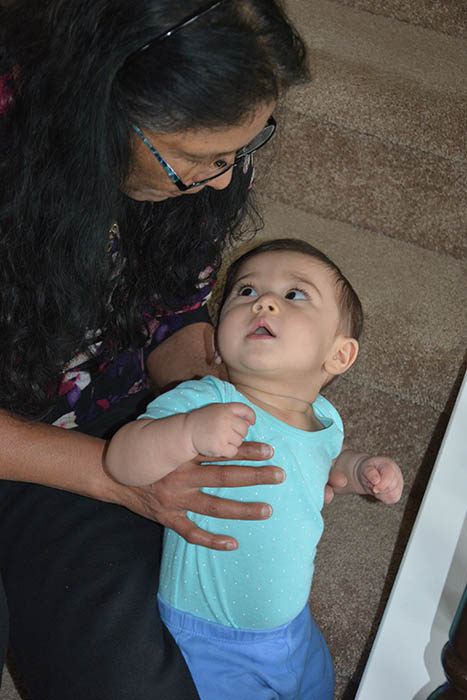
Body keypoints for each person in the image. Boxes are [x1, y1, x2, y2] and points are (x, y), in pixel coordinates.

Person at [0, 1, 311, 698]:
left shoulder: (207, 168)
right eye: (199, 158)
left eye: (243, 148)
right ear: (96, 107)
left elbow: (168, 314)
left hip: (82, 427)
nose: (226, 178)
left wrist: (230, 394)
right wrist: (112, 477)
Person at [106, 238, 404, 700]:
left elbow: (326, 461)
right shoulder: (206, 400)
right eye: (244, 292)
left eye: (294, 294)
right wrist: (185, 433)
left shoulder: (325, 417)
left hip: (293, 627)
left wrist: (360, 467)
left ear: (339, 355)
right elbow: (120, 459)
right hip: (211, 643)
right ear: (218, 345)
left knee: (317, 685)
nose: (263, 301)